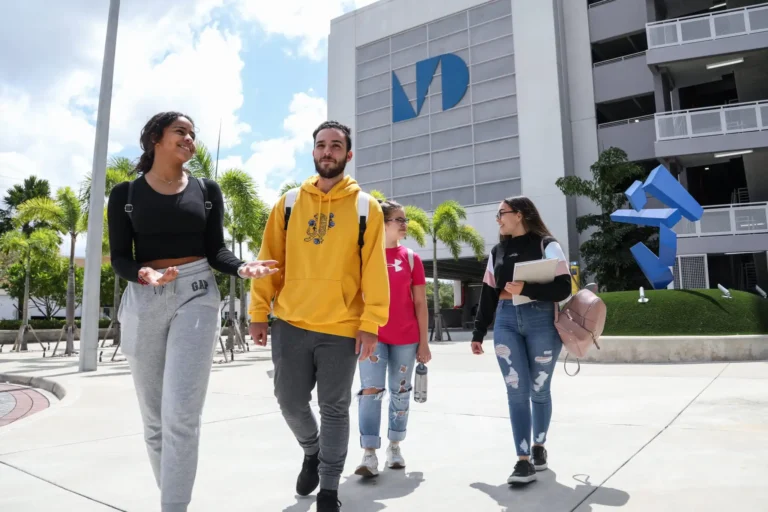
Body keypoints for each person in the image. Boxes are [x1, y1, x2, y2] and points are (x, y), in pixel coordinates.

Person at [107, 111, 278, 512]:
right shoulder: (125, 195)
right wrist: (144, 273)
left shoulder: (206, 189)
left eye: (193, 134)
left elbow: (216, 250)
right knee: (155, 422)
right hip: (144, 296)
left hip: (197, 292)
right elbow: (118, 258)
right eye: (180, 132)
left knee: (181, 414)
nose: (189, 139)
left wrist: (241, 267)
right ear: (155, 139)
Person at [248, 120, 390, 512]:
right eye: (321, 145)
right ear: (313, 152)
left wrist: (370, 324)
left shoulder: (366, 207)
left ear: (348, 154)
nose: (328, 151)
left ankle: (329, 487)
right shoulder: (290, 202)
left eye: (336, 145)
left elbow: (374, 271)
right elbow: (268, 260)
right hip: (291, 321)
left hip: (342, 327)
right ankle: (311, 451)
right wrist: (259, 311)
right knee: (289, 401)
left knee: (334, 408)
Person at [470, 196, 571, 486]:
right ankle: (523, 460)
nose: (498, 219)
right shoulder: (497, 250)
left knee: (539, 389)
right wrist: (478, 333)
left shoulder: (546, 244)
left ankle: (539, 446)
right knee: (516, 389)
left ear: (520, 214)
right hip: (506, 321)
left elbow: (564, 287)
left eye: (501, 213)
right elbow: (489, 294)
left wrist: (527, 287)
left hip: (542, 320)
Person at [354, 199, 430, 478]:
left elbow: (420, 304)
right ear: (382, 223)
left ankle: (395, 446)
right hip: (372, 338)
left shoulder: (412, 258)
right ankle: (369, 452)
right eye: (398, 219)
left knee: (400, 392)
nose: (404, 224)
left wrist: (424, 342)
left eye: (404, 219)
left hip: (406, 339)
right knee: (370, 393)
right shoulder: (363, 256)